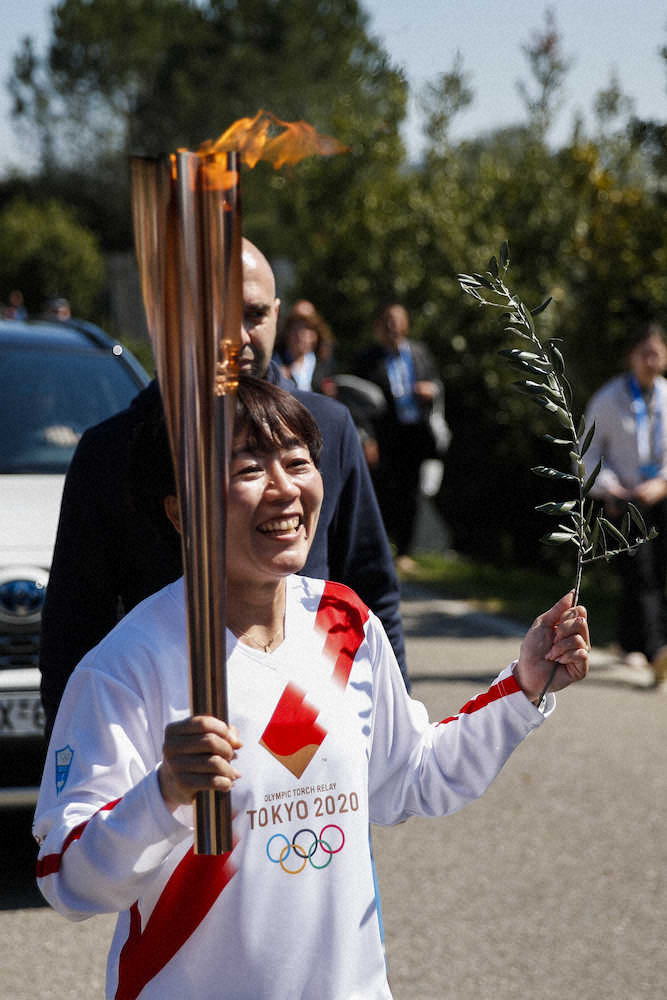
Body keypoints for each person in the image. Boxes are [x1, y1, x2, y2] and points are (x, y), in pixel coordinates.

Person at [34, 376, 590, 1000]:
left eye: (298, 462)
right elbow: (67, 876)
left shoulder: (340, 625)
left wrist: (523, 688)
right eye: (249, 468)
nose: (285, 489)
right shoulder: (127, 667)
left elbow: (407, 777)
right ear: (180, 510)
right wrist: (163, 794)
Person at [39, 241, 407, 739]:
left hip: (305, 756)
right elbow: (73, 634)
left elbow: (372, 593)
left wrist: (374, 740)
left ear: (277, 315)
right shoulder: (112, 452)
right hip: (174, 764)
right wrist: (98, 772)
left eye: (254, 315)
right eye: (214, 317)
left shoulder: (329, 428)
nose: (236, 337)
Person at [582, 322, 667, 685]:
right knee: (640, 575)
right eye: (644, 353)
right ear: (631, 356)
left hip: (660, 497)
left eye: (657, 352)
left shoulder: (665, 395)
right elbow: (586, 454)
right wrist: (611, 488)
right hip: (622, 502)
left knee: (652, 574)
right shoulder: (608, 398)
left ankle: (630, 641)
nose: (652, 360)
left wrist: (662, 483)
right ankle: (656, 651)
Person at [354, 303, 442, 572]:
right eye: (388, 320)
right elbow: (360, 401)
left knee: (411, 492)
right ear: (381, 324)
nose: (393, 325)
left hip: (414, 432)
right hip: (384, 435)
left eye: (398, 320)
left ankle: (404, 551)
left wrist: (431, 391)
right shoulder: (369, 359)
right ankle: (380, 547)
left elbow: (437, 384)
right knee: (382, 491)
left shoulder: (420, 353)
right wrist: (367, 438)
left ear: (406, 324)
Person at [275, 305, 335, 394]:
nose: (301, 337)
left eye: (308, 330)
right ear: (287, 332)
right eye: (296, 329)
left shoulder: (323, 364)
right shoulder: (274, 363)